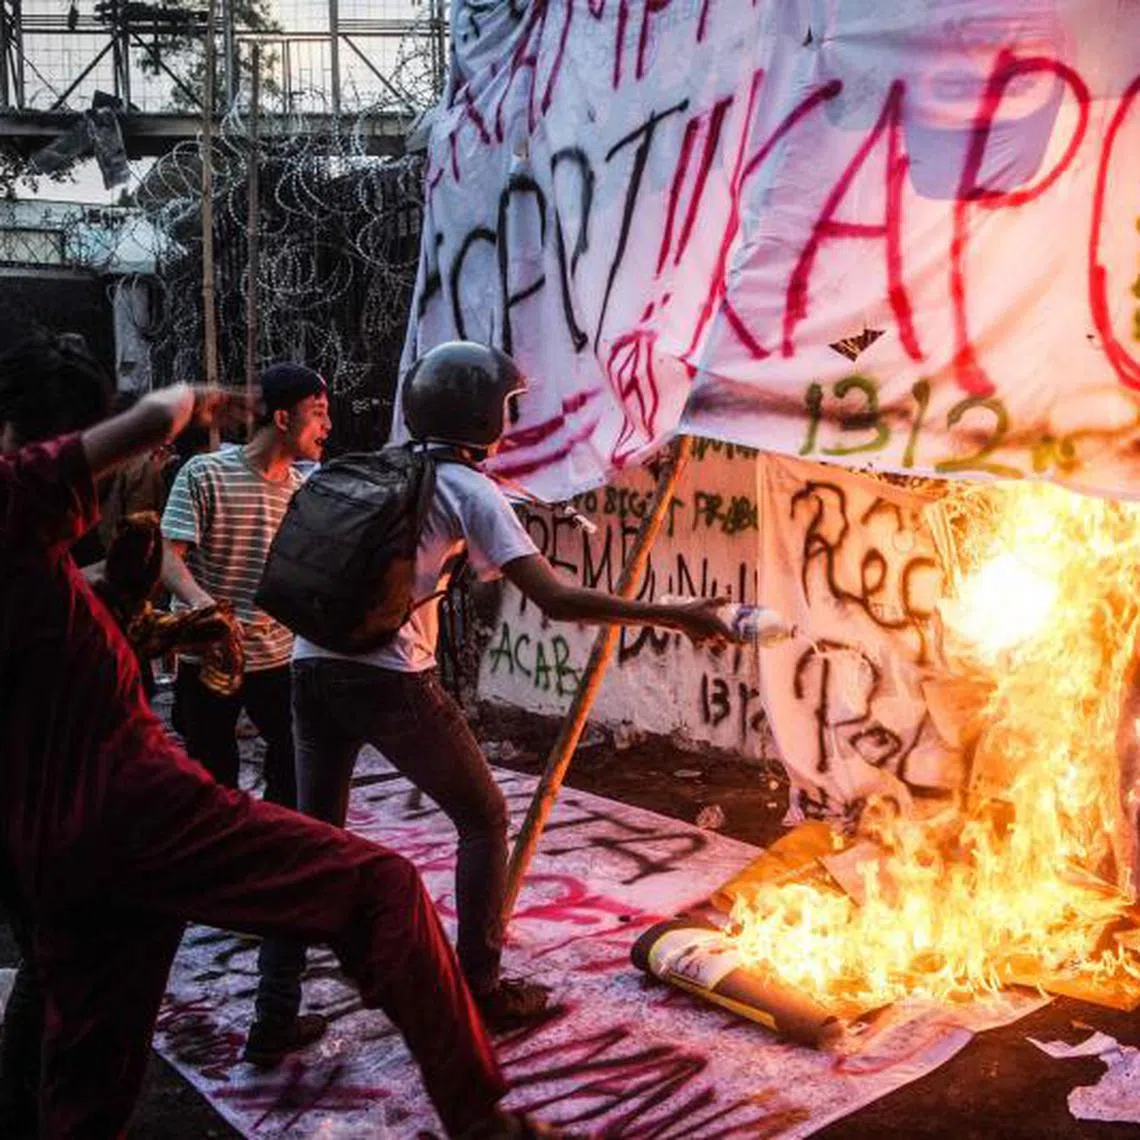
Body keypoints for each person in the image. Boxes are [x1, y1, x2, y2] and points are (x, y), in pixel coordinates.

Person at [0, 333, 558, 1140]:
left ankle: (272, 1017)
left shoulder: (38, 558)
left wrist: (123, 605)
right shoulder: (19, 501)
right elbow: (124, 435)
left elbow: (40, 641)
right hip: (135, 808)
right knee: (383, 888)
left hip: (59, 843)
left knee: (89, 1075)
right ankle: (482, 1122)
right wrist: (181, 405)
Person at [257, 340, 732, 1039]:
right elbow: (557, 600)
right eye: (508, 407)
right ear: (482, 413)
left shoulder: (389, 463)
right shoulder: (468, 489)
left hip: (309, 663)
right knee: (483, 819)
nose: (510, 422)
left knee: (313, 837)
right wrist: (678, 615)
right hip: (389, 678)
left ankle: (272, 1015)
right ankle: (479, 989)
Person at [161, 362, 332, 1062]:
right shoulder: (203, 474)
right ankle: (221, 890)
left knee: (294, 776)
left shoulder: (307, 490)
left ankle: (269, 887)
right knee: (214, 779)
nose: (327, 426)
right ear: (283, 418)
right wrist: (206, 610)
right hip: (207, 654)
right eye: (318, 412)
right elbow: (169, 559)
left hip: (278, 657)